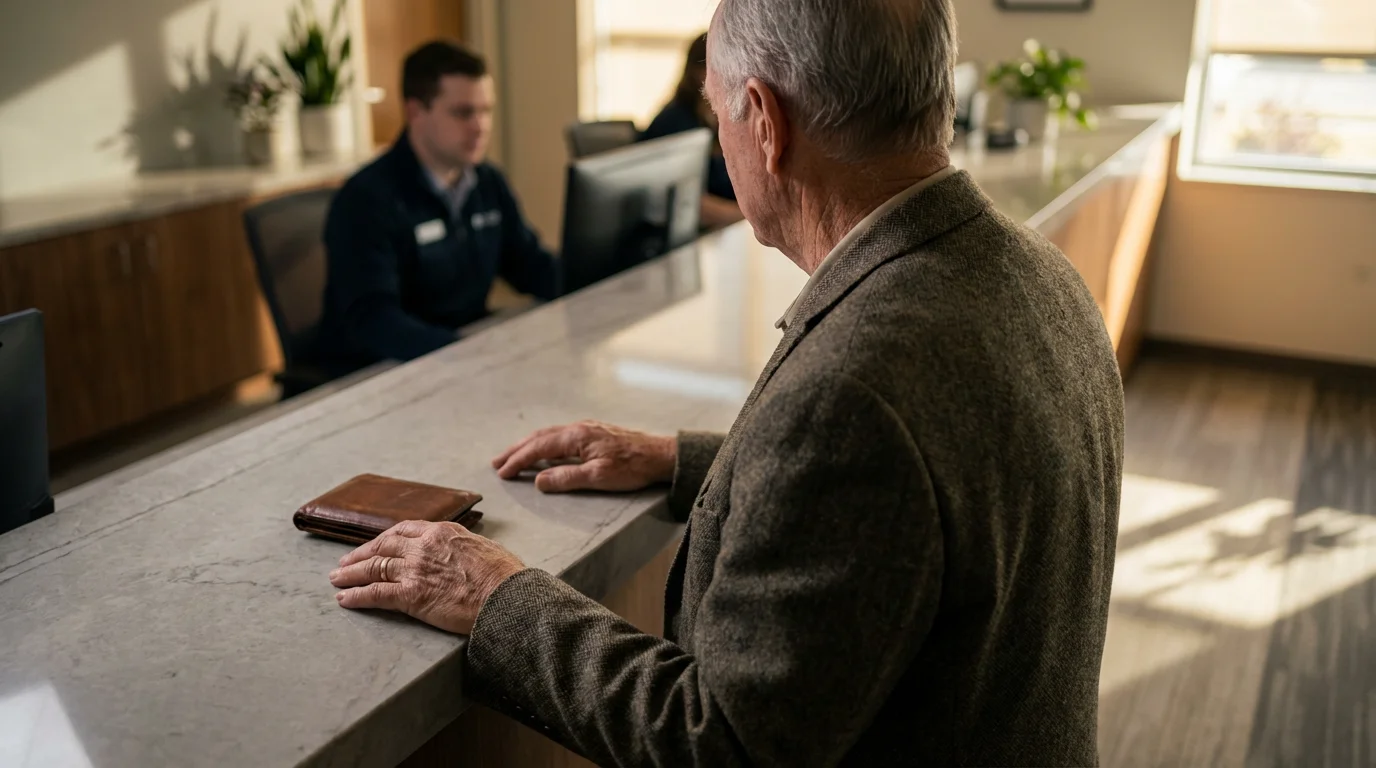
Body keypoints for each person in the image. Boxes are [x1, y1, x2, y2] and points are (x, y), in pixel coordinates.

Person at [328, 1, 1124, 765]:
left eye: (718, 118)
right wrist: (684, 458)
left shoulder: (851, 399)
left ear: (766, 124)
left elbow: (719, 744)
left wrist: (497, 596)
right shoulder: (1044, 278)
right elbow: (916, 492)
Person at [316, 42, 559, 376]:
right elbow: (373, 319)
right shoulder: (367, 199)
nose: (480, 126)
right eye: (463, 113)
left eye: (486, 110)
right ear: (415, 112)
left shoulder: (487, 182)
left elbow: (530, 265)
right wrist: (462, 354)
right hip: (380, 375)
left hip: (454, 363)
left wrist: (599, 278)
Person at [640, 32, 744, 229]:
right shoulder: (676, 122)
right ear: (699, 72)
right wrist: (748, 219)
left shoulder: (715, 119)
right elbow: (690, 202)